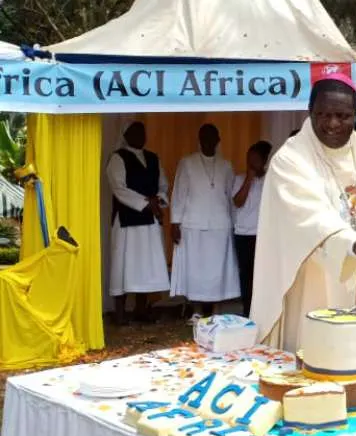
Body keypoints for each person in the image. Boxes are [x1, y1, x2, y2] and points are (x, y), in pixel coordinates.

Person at [251, 74, 356, 354]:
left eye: (343, 116)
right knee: (315, 355)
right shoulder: (290, 158)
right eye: (323, 114)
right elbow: (310, 216)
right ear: (309, 112)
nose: (332, 124)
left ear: (355, 115)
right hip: (312, 278)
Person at [170, 124, 240, 319]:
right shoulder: (187, 163)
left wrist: (235, 224)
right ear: (199, 140)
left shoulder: (226, 165)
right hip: (193, 223)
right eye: (204, 138)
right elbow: (179, 193)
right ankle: (197, 310)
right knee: (196, 269)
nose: (208, 141)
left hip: (220, 224)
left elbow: (230, 197)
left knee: (218, 269)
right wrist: (175, 222)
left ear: (218, 140)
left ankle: (216, 310)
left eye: (212, 137)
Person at [106, 121, 170, 325]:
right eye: (135, 132)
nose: (140, 136)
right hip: (127, 220)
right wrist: (146, 203)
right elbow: (119, 188)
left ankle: (141, 310)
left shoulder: (153, 157)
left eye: (143, 132)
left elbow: (163, 185)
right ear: (126, 135)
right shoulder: (117, 157)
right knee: (123, 265)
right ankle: (120, 313)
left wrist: (158, 200)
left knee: (146, 265)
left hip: (150, 221)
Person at [232, 140, 273, 317]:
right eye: (249, 158)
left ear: (263, 160)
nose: (251, 162)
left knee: (263, 275)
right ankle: (247, 310)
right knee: (246, 275)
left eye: (255, 159)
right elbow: (238, 202)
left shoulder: (271, 179)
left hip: (263, 234)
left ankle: (263, 310)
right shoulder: (239, 179)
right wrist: (249, 178)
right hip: (243, 234)